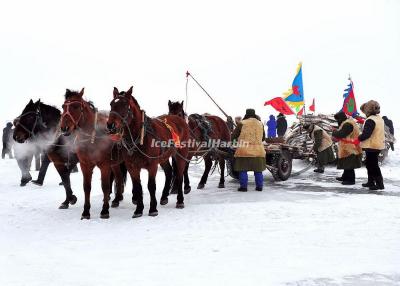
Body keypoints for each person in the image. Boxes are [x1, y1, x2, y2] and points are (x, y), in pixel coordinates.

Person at [232, 109, 266, 192]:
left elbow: (233, 136)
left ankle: (243, 187)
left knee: (242, 170)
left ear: (246, 114)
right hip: (258, 151)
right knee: (258, 171)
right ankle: (259, 187)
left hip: (243, 151)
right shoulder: (260, 123)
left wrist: (234, 141)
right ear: (254, 114)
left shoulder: (242, 123)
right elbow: (263, 138)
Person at [355, 100, 385, 190]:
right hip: (377, 145)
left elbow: (366, 134)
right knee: (369, 164)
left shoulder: (370, 120)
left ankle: (380, 184)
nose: (364, 114)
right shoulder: (378, 118)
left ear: (368, 110)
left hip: (372, 146)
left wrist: (358, 139)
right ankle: (371, 182)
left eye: (364, 111)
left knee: (373, 165)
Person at [331, 111, 362, 185]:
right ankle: (345, 177)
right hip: (348, 147)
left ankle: (351, 180)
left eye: (337, 119)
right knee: (346, 163)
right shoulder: (347, 123)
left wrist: (334, 132)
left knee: (349, 165)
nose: (337, 121)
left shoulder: (348, 124)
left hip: (351, 148)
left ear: (340, 118)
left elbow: (341, 134)